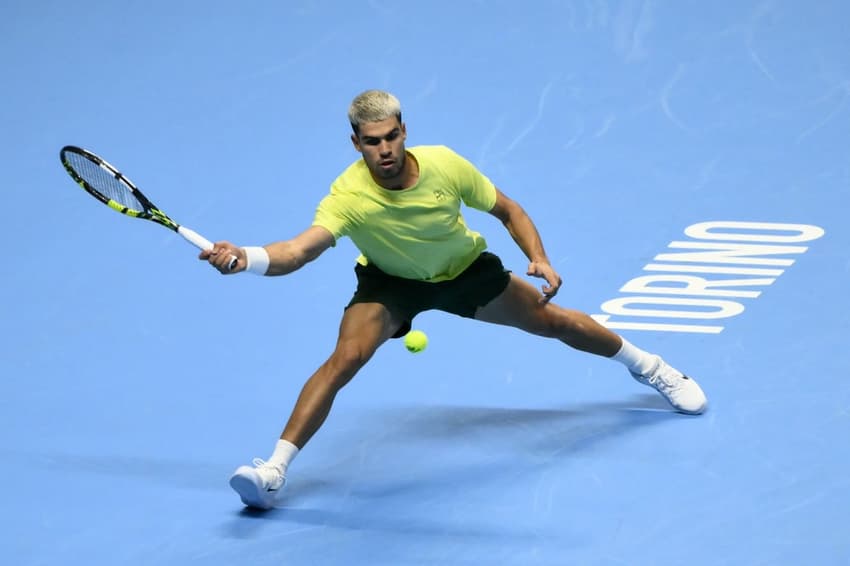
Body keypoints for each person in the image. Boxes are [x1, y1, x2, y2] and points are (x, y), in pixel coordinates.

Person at [201, 89, 707, 510]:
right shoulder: (348, 196)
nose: (384, 150)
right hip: (390, 283)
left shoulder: (444, 166)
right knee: (345, 359)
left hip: (463, 273)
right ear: (355, 143)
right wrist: (248, 256)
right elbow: (299, 249)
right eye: (372, 142)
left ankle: (651, 367)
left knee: (552, 322)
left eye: (392, 137)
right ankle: (272, 471)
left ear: (404, 131)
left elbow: (507, 209)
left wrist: (540, 258)